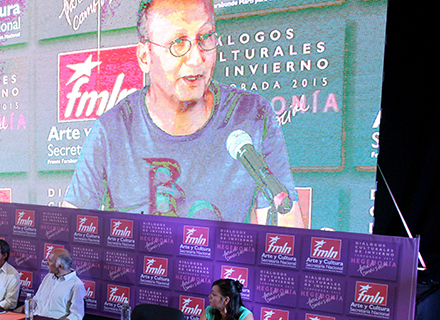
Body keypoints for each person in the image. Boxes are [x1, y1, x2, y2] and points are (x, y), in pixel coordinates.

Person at [63, 0, 304, 227]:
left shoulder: (252, 115)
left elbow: (286, 228)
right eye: (178, 42)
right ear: (145, 57)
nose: (197, 58)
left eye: (206, 37)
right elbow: (66, 238)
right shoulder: (111, 130)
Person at [32, 248, 86, 320]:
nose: (47, 263)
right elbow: (35, 300)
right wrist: (17, 312)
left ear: (60, 266)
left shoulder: (76, 285)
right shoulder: (48, 277)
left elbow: (76, 316)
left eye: (50, 261)